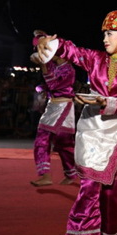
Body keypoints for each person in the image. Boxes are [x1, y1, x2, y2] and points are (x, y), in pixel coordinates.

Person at [34, 9, 117, 235]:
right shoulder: (96, 59)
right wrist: (50, 42)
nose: (105, 38)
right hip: (90, 130)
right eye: (104, 33)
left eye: (110, 33)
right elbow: (72, 51)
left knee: (111, 192)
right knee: (89, 187)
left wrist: (104, 102)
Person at [29, 53, 78, 187]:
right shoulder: (55, 65)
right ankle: (69, 174)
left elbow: (53, 84)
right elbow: (49, 84)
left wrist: (43, 65)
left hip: (62, 107)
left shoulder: (69, 70)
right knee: (62, 143)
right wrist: (41, 87)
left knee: (47, 140)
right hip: (55, 106)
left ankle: (48, 175)